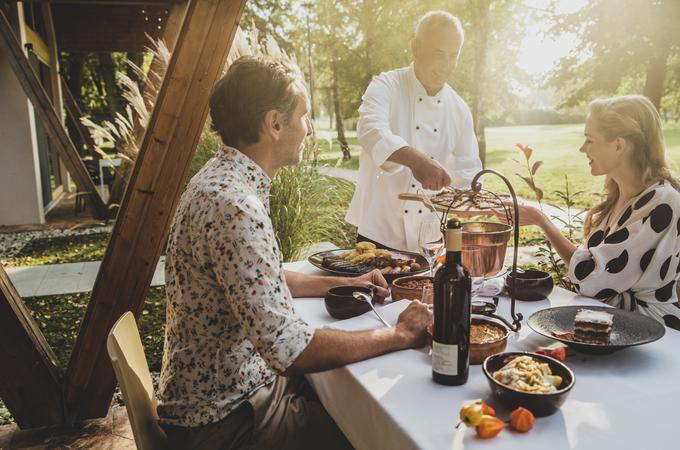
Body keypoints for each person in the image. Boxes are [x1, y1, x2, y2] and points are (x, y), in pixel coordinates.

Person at [156, 55, 432, 450]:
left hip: (219, 399)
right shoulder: (235, 205)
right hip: (226, 420)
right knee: (369, 431)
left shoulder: (222, 181)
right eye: (303, 116)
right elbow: (291, 351)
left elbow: (256, 278)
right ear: (274, 124)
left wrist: (345, 281)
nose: (309, 128)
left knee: (340, 393)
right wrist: (400, 333)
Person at [495, 95, 680, 331]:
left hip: (653, 333)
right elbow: (591, 269)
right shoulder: (617, 198)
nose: (583, 149)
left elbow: (592, 279)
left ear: (619, 145)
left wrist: (542, 221)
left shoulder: (661, 204)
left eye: (590, 140)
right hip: (609, 325)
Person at [346, 10, 482, 252]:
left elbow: (468, 171)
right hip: (379, 236)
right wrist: (416, 160)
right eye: (438, 54)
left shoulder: (459, 109)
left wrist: (472, 197)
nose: (446, 65)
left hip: (430, 242)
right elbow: (370, 131)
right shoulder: (386, 85)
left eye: (454, 56)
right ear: (416, 47)